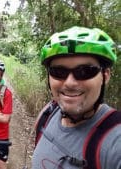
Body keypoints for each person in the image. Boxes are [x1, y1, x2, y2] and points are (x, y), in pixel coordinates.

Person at [32, 26, 121, 168]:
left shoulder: (115, 141)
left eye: (84, 71)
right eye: (58, 71)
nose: (70, 83)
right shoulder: (47, 114)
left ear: (105, 75)